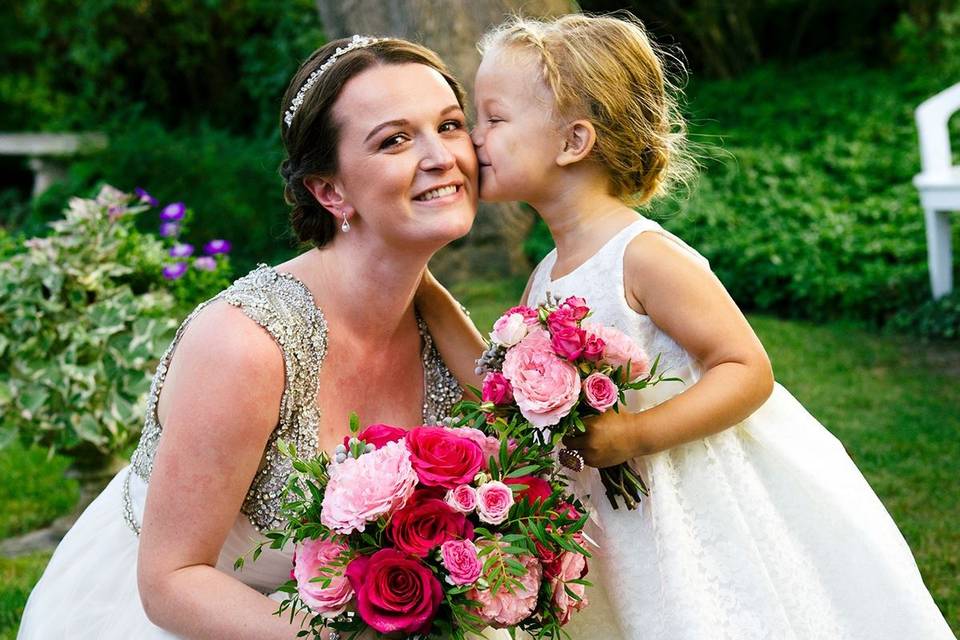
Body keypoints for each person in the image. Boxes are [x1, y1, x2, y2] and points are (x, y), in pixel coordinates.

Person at [426, 13, 956, 640]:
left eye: (493, 117)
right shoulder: (544, 273)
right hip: (616, 517)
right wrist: (423, 289)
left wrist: (637, 433)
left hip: (693, 497)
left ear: (573, 142)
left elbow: (747, 368)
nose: (473, 138)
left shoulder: (642, 255)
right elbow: (501, 379)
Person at [19, 35, 500, 639]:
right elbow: (171, 581)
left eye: (450, 125)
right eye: (395, 140)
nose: (441, 157)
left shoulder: (443, 330)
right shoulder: (245, 344)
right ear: (329, 191)